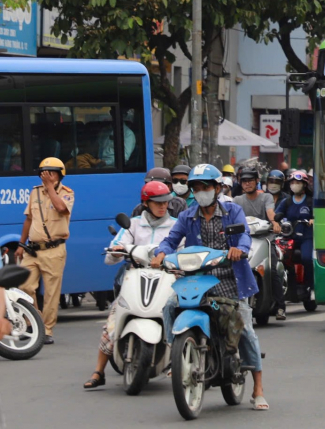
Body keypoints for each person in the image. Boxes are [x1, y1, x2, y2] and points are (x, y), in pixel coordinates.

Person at [151, 164, 268, 411]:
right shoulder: (187, 216)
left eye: (205, 187)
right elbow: (172, 240)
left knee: (244, 326)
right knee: (170, 306)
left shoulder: (233, 212)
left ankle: (258, 388)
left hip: (228, 278)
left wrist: (240, 249)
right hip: (197, 278)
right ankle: (177, 354)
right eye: (196, 188)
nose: (201, 191)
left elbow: (244, 235)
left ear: (217, 188)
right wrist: (160, 253)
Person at [84, 182, 177, 389]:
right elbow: (113, 252)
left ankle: (179, 360)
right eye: (157, 202)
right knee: (114, 318)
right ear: (146, 203)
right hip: (136, 276)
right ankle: (99, 371)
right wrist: (116, 249)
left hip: (167, 278)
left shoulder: (176, 225)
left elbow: (185, 248)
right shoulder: (133, 224)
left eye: (165, 202)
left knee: (180, 316)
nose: (163, 206)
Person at [16, 157, 75, 345]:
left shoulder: (67, 193)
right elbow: (28, 219)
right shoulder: (35, 192)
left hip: (54, 250)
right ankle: (33, 321)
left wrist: (50, 187)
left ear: (60, 175)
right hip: (32, 250)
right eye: (43, 173)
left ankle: (47, 330)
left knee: (51, 293)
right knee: (24, 287)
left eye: (51, 173)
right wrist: (20, 244)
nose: (46, 176)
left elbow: (60, 208)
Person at [234, 168, 285, 320]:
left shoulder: (266, 197)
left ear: (257, 181)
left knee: (273, 270)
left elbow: (270, 212)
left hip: (265, 239)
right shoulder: (237, 200)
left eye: (250, 180)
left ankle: (281, 306)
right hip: (244, 240)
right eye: (244, 181)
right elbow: (231, 217)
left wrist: (274, 222)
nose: (247, 183)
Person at [274, 171, 314, 294]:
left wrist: (313, 219)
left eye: (298, 183)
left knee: (307, 258)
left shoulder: (310, 201)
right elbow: (277, 215)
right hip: (289, 236)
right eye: (293, 183)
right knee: (280, 259)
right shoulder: (286, 202)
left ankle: (310, 287)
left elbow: (318, 215)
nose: (295, 185)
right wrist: (277, 221)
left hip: (306, 236)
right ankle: (284, 286)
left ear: (304, 185)